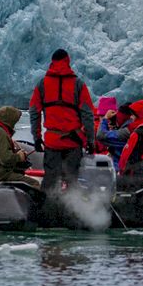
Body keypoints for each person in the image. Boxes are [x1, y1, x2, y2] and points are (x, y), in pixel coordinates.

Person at [29, 49, 95, 192]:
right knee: (72, 180)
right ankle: (72, 210)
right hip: (73, 140)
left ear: (52, 62)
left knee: (50, 180)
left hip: (52, 141)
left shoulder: (42, 84)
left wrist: (36, 136)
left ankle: (46, 209)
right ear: (67, 61)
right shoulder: (78, 84)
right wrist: (90, 140)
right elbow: (87, 114)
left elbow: (34, 111)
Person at [0, 106, 41, 189]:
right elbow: (6, 159)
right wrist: (20, 156)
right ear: (9, 119)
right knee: (34, 183)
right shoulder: (0, 132)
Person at [96, 103, 133, 170]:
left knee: (95, 165)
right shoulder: (133, 127)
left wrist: (105, 120)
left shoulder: (128, 131)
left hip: (119, 168)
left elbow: (100, 136)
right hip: (119, 164)